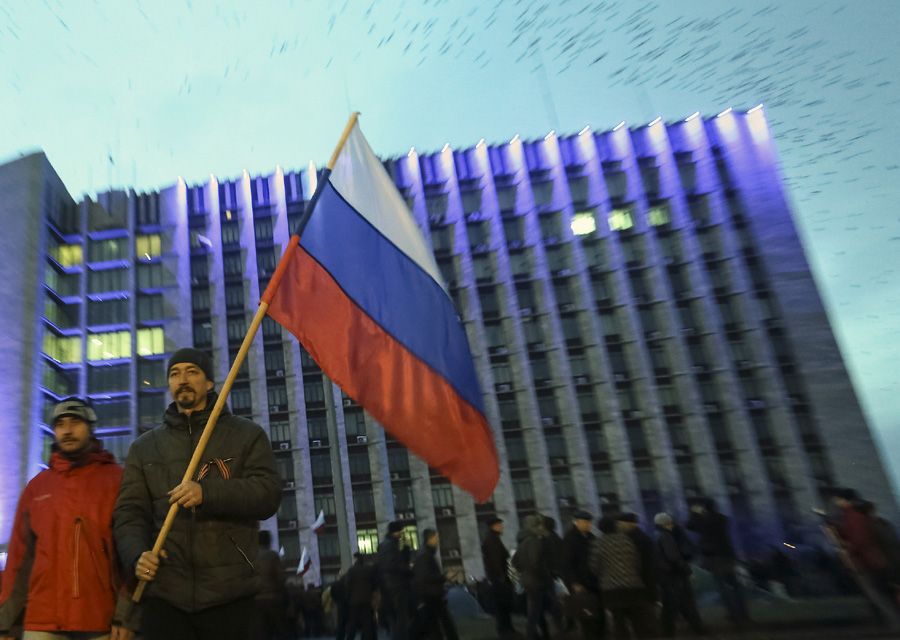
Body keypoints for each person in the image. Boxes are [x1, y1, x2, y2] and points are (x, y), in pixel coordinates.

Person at [113, 347, 282, 640]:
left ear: (209, 383)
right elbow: (129, 514)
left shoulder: (247, 435)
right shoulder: (144, 447)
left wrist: (208, 492)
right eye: (175, 374)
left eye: (192, 372)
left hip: (229, 594)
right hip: (165, 596)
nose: (183, 380)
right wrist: (136, 554)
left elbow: (267, 493)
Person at [0, 397, 136, 640]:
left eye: (75, 421)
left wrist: (127, 615)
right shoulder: (37, 487)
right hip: (42, 619)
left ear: (90, 427)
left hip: (99, 618)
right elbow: (19, 559)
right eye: (60, 424)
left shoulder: (117, 480)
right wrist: (6, 621)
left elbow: (132, 553)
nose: (67, 429)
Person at [686, 498, 749, 627]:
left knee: (723, 586)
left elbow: (690, 526)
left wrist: (694, 512)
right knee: (734, 584)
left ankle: (733, 614)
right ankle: (743, 613)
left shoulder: (704, 520)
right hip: (727, 554)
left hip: (714, 556)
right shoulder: (722, 518)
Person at [589, 517, 650, 639]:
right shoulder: (627, 540)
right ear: (615, 526)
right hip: (633, 585)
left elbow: (594, 566)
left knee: (619, 622)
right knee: (638, 621)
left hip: (611, 588)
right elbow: (637, 562)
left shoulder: (598, 543)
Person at [653, 513, 707, 638]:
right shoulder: (667, 536)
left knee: (673, 604)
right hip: (674, 574)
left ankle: (671, 630)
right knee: (681, 603)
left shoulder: (659, 535)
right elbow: (673, 556)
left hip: (667, 574)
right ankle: (694, 628)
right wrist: (685, 568)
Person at [513, 514, 558, 640]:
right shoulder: (534, 540)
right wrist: (545, 575)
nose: (541, 527)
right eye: (539, 524)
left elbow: (515, 561)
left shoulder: (523, 541)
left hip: (530, 581)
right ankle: (533, 635)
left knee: (539, 611)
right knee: (538, 612)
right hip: (538, 581)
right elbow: (535, 563)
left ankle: (545, 634)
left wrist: (525, 572)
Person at [560, 510, 603, 639]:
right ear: (576, 522)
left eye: (589, 523)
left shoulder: (591, 536)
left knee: (598, 612)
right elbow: (566, 563)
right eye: (584, 522)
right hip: (580, 582)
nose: (588, 525)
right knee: (585, 613)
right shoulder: (570, 538)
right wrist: (574, 583)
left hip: (594, 580)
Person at [411, 530, 458, 640]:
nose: (438, 540)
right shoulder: (425, 555)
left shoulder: (426, 553)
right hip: (431, 594)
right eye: (436, 537)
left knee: (434, 624)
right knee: (439, 622)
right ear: (430, 539)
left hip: (431, 594)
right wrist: (445, 577)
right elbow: (426, 576)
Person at [481, 517, 516, 637]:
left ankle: (506, 628)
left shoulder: (493, 539)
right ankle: (505, 629)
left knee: (503, 606)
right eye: (499, 525)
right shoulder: (492, 540)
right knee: (503, 606)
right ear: (494, 526)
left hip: (498, 579)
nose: (501, 527)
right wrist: (501, 577)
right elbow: (495, 561)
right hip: (499, 580)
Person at [377, 521, 413, 640]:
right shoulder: (390, 545)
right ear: (397, 532)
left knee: (395, 620)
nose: (403, 535)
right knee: (400, 618)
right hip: (395, 587)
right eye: (402, 532)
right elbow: (393, 565)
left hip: (389, 587)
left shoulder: (388, 545)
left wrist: (405, 549)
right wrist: (409, 570)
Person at [254, 530, 286, 640]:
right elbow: (281, 577)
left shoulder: (252, 557)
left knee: (261, 632)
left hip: (256, 600)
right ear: (269, 541)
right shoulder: (273, 556)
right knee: (277, 631)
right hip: (273, 599)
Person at [344, 553, 377, 640]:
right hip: (366, 601)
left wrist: (348, 600)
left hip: (354, 602)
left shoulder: (351, 571)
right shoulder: (368, 570)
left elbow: (347, 587)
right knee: (366, 625)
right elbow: (374, 584)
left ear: (355, 559)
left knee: (352, 625)